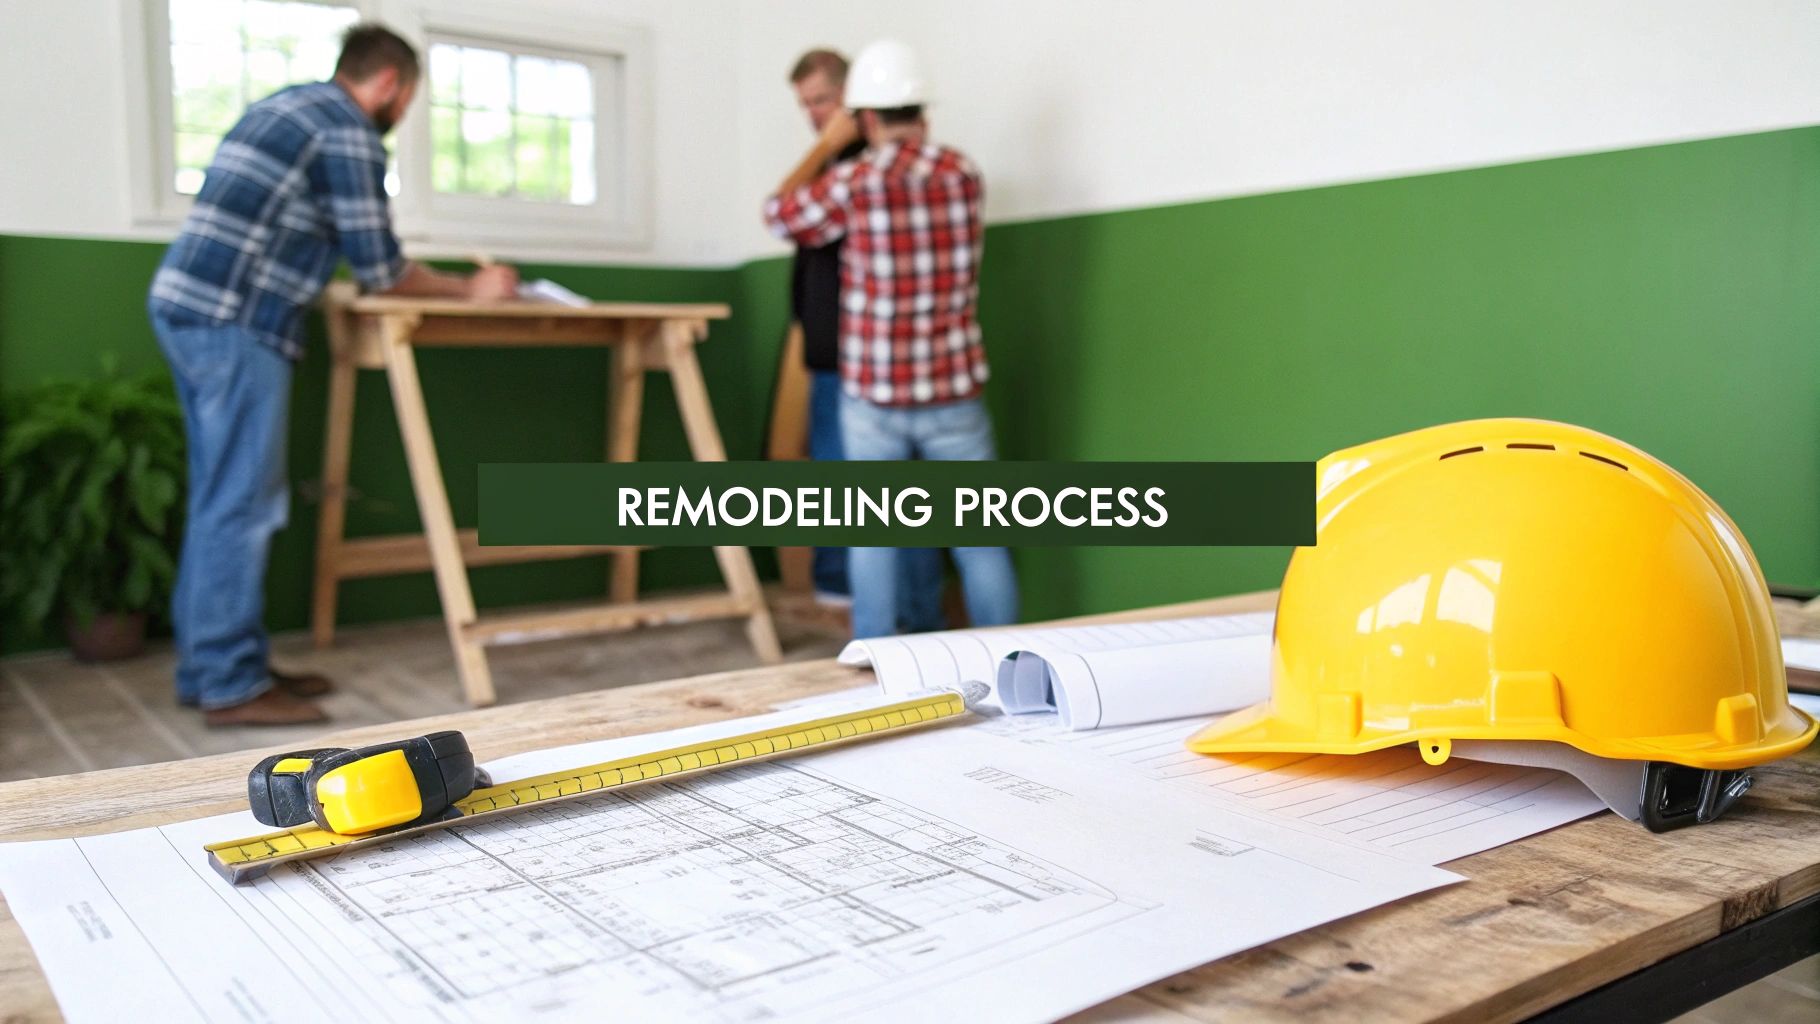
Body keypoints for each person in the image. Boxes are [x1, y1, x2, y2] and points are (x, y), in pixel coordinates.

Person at [147, 24, 519, 726]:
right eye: (406, 99)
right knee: (242, 505)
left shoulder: (292, 106)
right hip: (233, 320)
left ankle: (219, 667)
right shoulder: (346, 129)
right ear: (391, 84)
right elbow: (382, 268)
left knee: (219, 498)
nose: (399, 113)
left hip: (191, 310)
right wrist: (474, 290)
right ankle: (231, 683)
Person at [764, 40, 1018, 639]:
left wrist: (825, 149)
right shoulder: (963, 173)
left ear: (866, 117)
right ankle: (1012, 658)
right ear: (923, 113)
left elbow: (779, 215)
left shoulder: (854, 181)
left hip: (874, 395)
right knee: (980, 541)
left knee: (874, 538)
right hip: (954, 391)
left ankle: (880, 667)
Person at [783, 49, 945, 632]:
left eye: (823, 102)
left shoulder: (867, 171)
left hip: (871, 364)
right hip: (835, 354)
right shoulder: (843, 171)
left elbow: (778, 212)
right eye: (806, 106)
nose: (814, 117)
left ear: (858, 103)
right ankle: (864, 606)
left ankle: (904, 620)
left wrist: (829, 145)